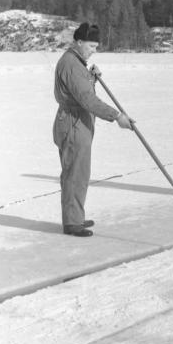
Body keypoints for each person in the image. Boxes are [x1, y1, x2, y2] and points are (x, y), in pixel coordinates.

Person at [53, 22, 133, 237]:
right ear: (79, 43)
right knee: (74, 172)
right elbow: (87, 99)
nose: (94, 51)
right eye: (91, 46)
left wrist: (91, 76)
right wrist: (116, 116)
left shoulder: (77, 62)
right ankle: (72, 223)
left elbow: (83, 89)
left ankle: (75, 216)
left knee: (80, 171)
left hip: (80, 121)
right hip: (73, 122)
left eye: (96, 47)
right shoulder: (71, 64)